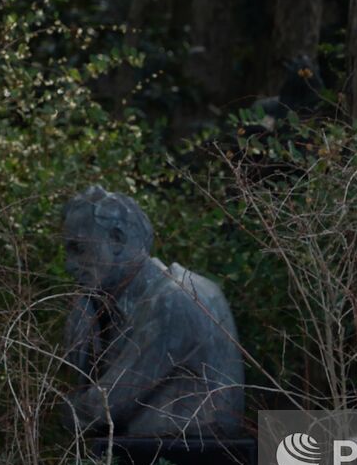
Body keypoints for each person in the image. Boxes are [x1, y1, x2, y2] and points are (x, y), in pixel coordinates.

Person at [61, 186, 245, 440]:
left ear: (117, 239)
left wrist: (59, 412)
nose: (70, 265)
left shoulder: (174, 299)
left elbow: (101, 409)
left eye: (78, 249)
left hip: (192, 457)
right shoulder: (122, 304)